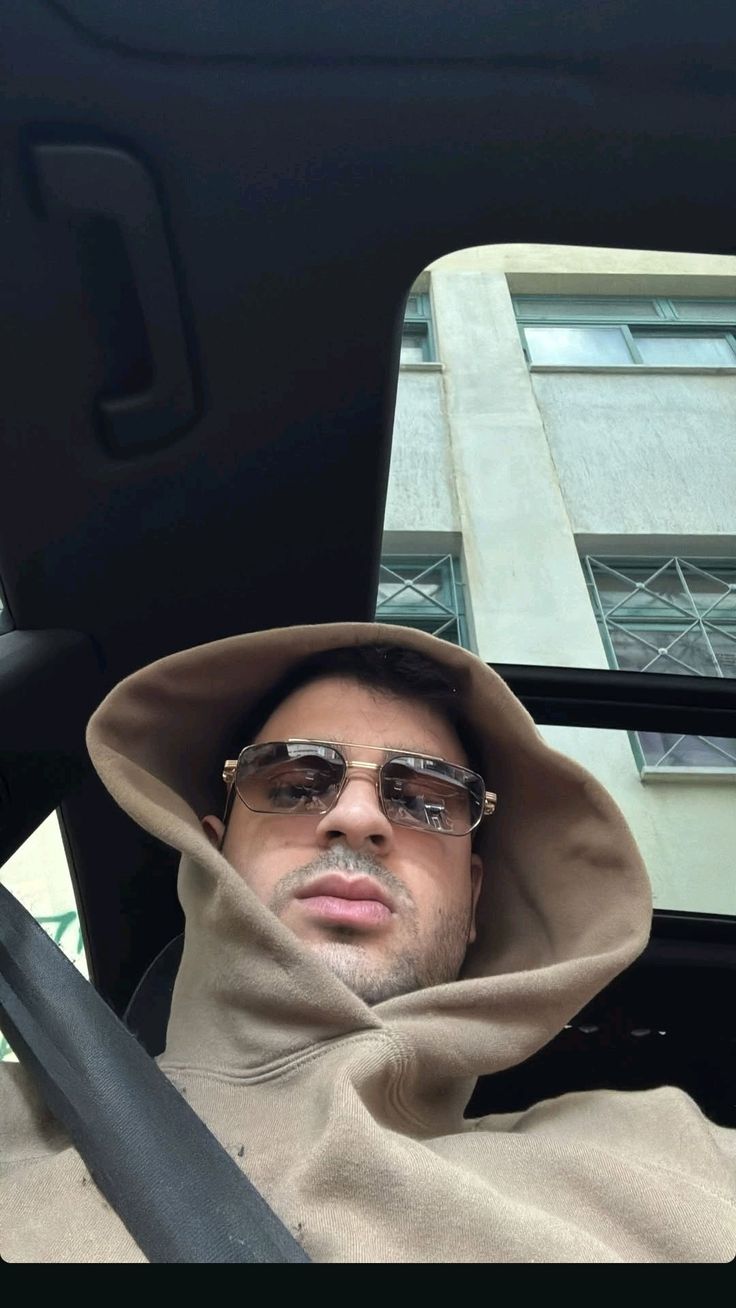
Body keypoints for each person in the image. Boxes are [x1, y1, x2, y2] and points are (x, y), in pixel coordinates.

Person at [1, 622, 735, 1262]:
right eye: (295, 785)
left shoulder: (673, 1156)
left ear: (474, 896)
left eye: (423, 799)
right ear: (212, 853)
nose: (356, 818)